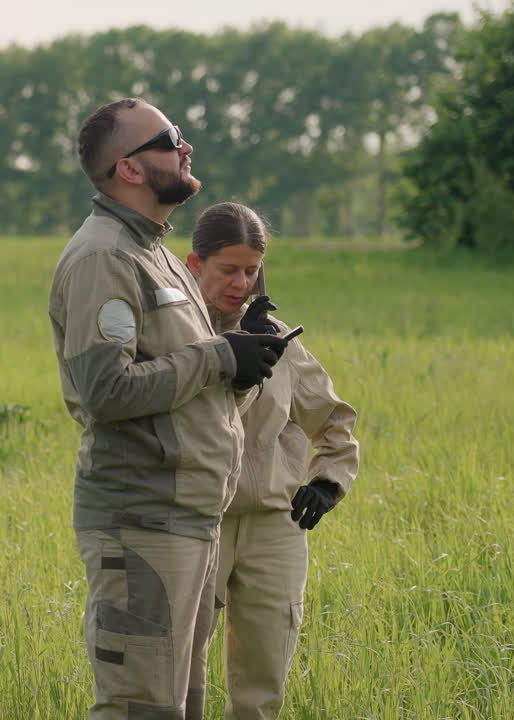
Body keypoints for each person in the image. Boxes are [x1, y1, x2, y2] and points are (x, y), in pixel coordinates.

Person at [49, 98, 289, 719]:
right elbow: (105, 392)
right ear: (129, 169)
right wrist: (217, 358)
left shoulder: (155, 251)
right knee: (141, 708)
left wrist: (243, 362)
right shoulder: (106, 256)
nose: (185, 146)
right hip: (142, 520)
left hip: (187, 515)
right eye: (169, 138)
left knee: (180, 705)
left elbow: (179, 378)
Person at [185, 202, 360, 720]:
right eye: (228, 269)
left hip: (275, 527)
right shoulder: (174, 331)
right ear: (195, 265)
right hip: (196, 521)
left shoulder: (281, 337)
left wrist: (328, 482)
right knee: (177, 679)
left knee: (262, 688)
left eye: (252, 270)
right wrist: (233, 355)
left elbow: (333, 419)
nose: (242, 283)